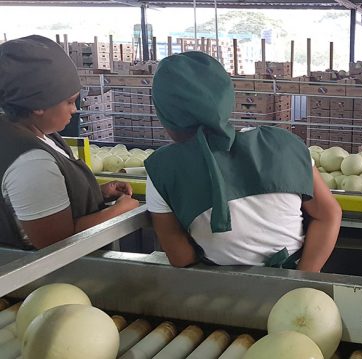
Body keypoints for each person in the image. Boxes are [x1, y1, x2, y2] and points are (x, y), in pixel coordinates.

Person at [144, 52, 342, 272]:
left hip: (219, 291)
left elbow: (181, 258)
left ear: (165, 115)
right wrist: (302, 279)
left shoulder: (162, 170)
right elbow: (328, 214)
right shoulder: (285, 144)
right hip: (295, 281)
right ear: (225, 97)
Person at [0, 35, 139, 249]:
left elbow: (41, 205)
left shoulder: (33, 132)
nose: (74, 110)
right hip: (55, 274)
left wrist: (96, 193)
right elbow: (55, 241)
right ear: (39, 105)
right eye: (70, 102)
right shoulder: (32, 163)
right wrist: (118, 212)